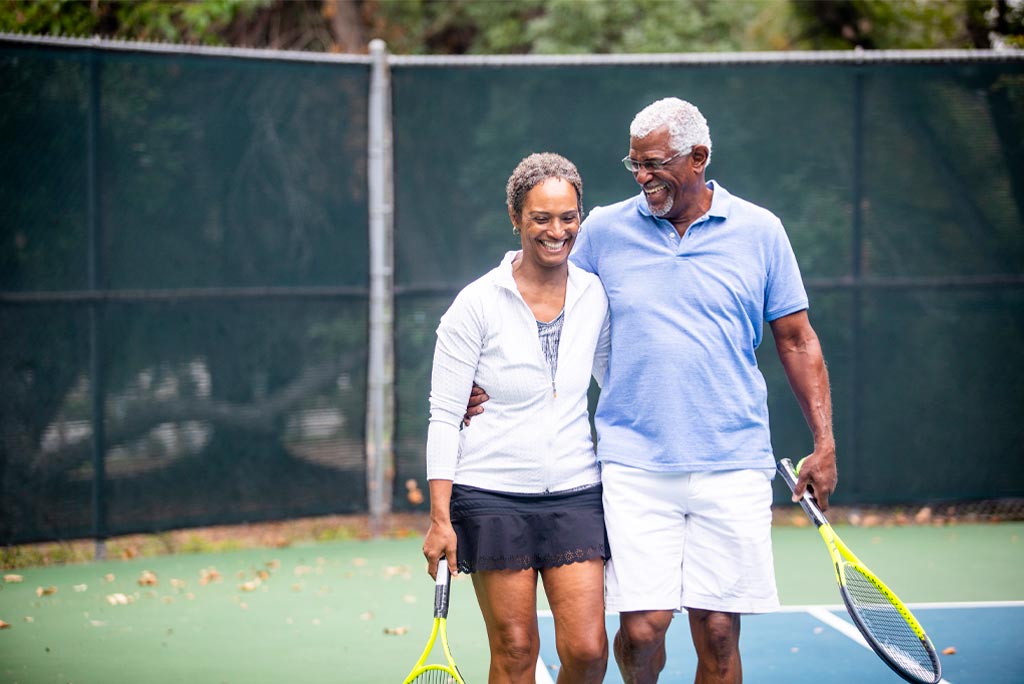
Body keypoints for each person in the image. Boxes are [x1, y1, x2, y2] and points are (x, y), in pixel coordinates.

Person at [466, 98, 838, 684]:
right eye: (633, 164)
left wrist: (824, 441)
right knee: (641, 632)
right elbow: (534, 282)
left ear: (698, 158)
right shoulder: (606, 231)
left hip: (734, 460)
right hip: (633, 464)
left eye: (655, 163)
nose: (642, 177)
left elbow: (796, 339)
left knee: (718, 633)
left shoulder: (761, 231)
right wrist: (477, 377)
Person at [422, 152, 611, 684]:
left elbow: (617, 380)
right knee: (514, 649)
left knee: (589, 650)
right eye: (541, 218)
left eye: (568, 217)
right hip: (491, 495)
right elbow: (443, 415)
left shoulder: (595, 294)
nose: (557, 231)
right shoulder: (475, 304)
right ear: (515, 217)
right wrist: (440, 517)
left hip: (576, 491)